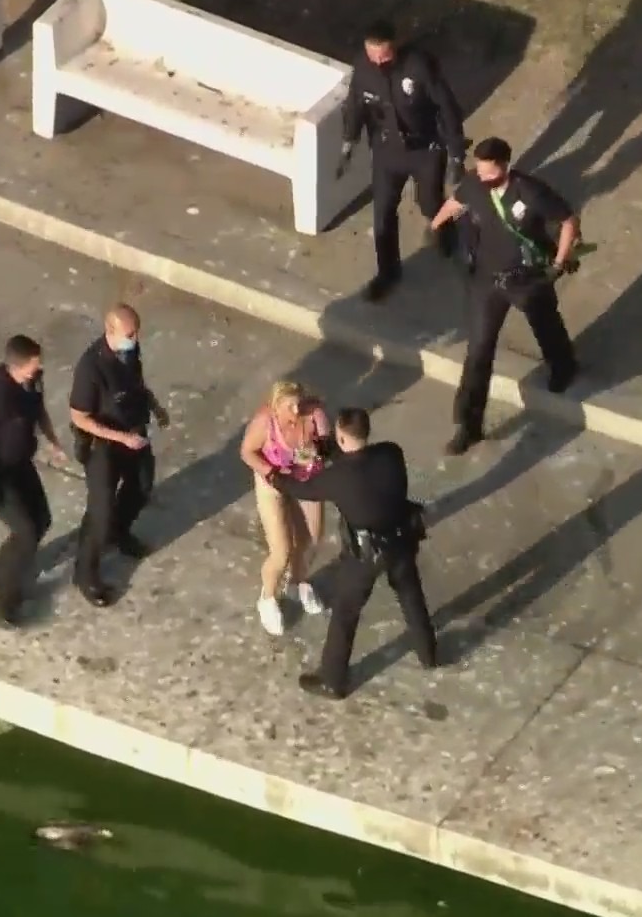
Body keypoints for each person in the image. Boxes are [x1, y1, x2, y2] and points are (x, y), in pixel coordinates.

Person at [267, 408, 437, 700]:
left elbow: (301, 488)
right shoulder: (391, 453)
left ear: (342, 436)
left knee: (345, 612)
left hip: (366, 555)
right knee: (411, 597)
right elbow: (361, 464)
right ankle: (429, 653)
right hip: (401, 541)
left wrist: (273, 476)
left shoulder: (338, 478)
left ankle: (332, 680)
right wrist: (334, 449)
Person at [429, 136, 582, 456]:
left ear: (505, 165)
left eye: (490, 172)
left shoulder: (530, 191)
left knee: (545, 324)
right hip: (487, 281)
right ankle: (468, 426)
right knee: (478, 352)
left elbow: (568, 220)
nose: (483, 178)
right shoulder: (474, 183)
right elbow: (456, 201)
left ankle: (563, 365)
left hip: (525, 278)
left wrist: (557, 263)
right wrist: (437, 224)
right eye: (480, 171)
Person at [340, 18, 467, 302]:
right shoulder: (362, 67)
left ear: (394, 47)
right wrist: (349, 140)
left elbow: (447, 108)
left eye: (384, 56)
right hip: (387, 153)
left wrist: (456, 153)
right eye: (373, 56)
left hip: (425, 150)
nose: (379, 63)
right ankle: (388, 273)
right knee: (383, 213)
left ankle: (446, 229)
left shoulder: (418, 67)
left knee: (429, 202)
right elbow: (355, 105)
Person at [68, 303, 170, 606]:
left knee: (140, 487)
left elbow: (136, 385)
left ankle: (119, 534)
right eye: (129, 333)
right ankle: (85, 574)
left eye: (136, 332)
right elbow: (80, 417)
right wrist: (121, 437)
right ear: (109, 330)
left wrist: (154, 405)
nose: (135, 338)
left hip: (134, 433)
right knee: (100, 514)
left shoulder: (129, 352)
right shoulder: (91, 368)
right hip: (105, 445)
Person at [0, 334, 67, 625]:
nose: (40, 370)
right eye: (34, 366)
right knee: (26, 532)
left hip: (21, 464)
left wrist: (52, 441)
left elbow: (38, 409)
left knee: (42, 520)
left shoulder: (32, 381)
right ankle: (6, 597)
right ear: (16, 367)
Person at [238, 381, 333, 636]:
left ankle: (298, 583)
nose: (294, 409)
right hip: (274, 484)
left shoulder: (314, 414)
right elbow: (247, 452)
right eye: (288, 405)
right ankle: (267, 597)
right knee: (281, 551)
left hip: (306, 481)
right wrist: (271, 474)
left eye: (297, 403)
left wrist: (319, 450)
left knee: (312, 539)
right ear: (275, 406)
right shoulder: (264, 421)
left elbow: (328, 444)